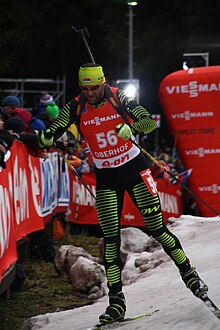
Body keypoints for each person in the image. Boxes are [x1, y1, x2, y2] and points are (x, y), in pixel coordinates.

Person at [37, 63, 208, 325]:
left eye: (94, 87)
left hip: (135, 171)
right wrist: (46, 137)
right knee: (109, 242)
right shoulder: (77, 105)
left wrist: (133, 127)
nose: (90, 93)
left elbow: (148, 121)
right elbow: (56, 126)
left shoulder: (119, 97)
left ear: (103, 82)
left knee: (158, 229)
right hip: (107, 178)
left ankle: (190, 275)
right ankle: (116, 304)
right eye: (85, 88)